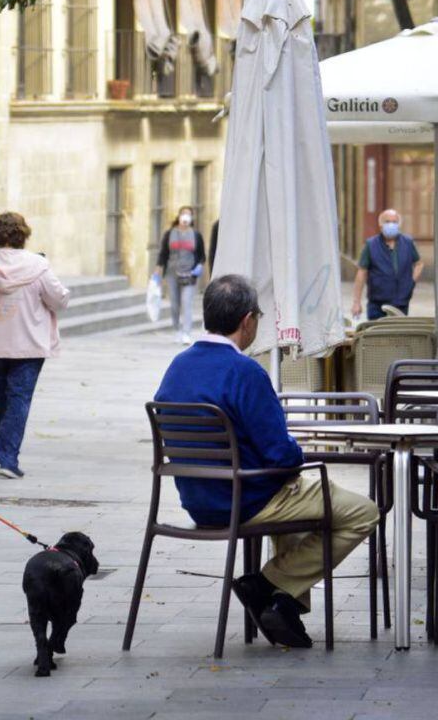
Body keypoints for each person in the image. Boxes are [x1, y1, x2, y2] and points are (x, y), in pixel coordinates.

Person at [154, 275, 378, 648]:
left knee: (293, 499)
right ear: (247, 321)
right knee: (362, 512)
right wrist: (294, 450)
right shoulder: (246, 372)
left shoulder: (177, 367)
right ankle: (268, 584)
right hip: (248, 498)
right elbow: (281, 454)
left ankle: (283, 607)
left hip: (199, 499)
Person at [0, 212, 69, 479]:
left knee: (4, 399)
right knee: (19, 398)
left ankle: (6, 454)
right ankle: (8, 459)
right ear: (23, 234)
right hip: (29, 342)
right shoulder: (38, 265)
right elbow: (58, 299)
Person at [351, 208, 424, 320]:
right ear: (380, 224)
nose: (391, 224)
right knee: (377, 334)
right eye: (387, 221)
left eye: (394, 222)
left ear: (399, 225)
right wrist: (356, 302)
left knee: (398, 335)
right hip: (377, 303)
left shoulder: (408, 243)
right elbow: (362, 272)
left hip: (401, 302)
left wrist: (411, 282)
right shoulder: (371, 245)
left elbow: (419, 263)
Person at [153, 206, 206, 345]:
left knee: (186, 302)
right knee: (175, 304)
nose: (186, 217)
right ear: (179, 216)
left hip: (189, 274)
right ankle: (177, 329)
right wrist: (157, 272)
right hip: (172, 273)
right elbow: (163, 254)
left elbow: (201, 255)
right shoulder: (170, 233)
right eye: (184, 214)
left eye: (189, 215)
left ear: (192, 218)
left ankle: (186, 333)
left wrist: (200, 266)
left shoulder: (196, 235)